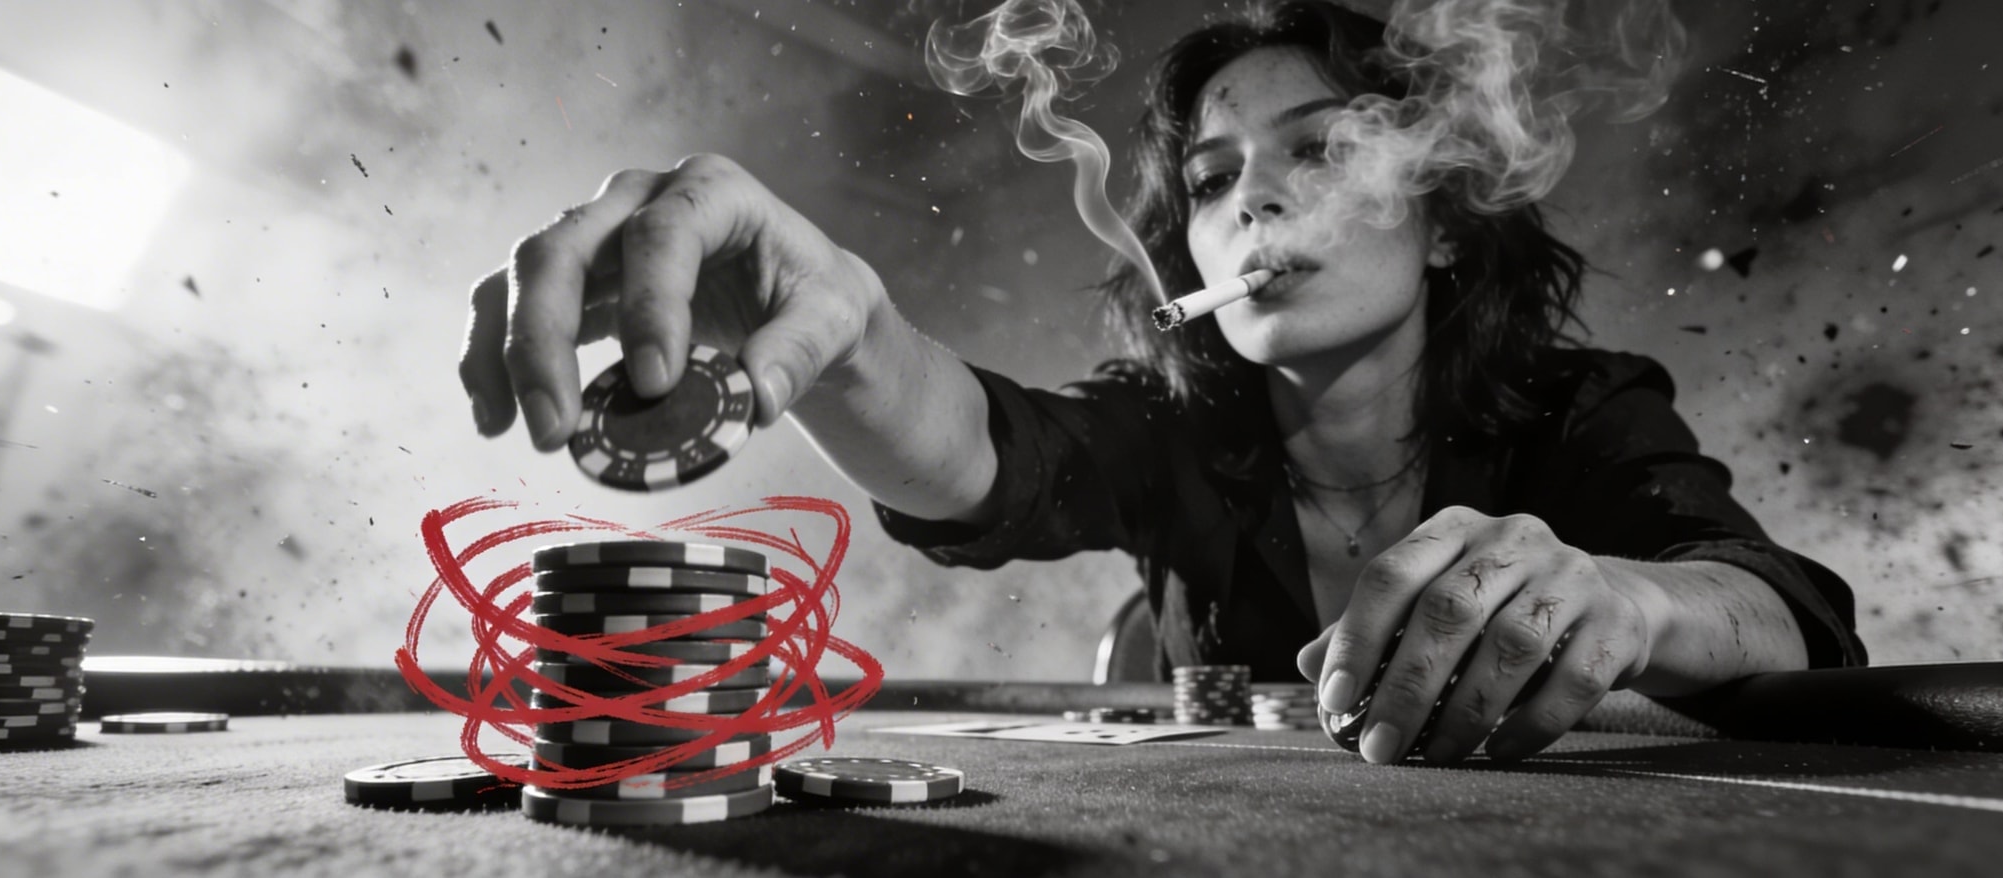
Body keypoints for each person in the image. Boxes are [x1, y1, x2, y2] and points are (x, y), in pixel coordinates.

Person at [458, 0, 1865, 765]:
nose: (1252, 206)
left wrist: (1626, 595)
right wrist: (844, 327)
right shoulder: (1175, 429)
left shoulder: (1580, 406)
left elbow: (1784, 609)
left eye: (1317, 152)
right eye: (1210, 179)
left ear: (1438, 216)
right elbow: (985, 458)